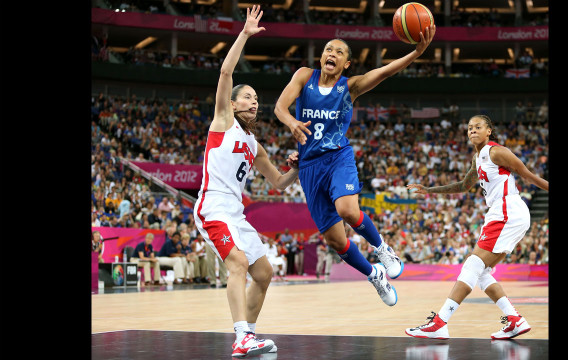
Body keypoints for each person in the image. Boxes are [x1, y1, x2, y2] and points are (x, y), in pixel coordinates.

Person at [273, 23, 436, 306]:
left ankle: (383, 249)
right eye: (328, 49)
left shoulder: (349, 86)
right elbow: (279, 107)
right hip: (309, 167)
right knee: (336, 242)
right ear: (321, 57)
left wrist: (416, 53)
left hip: (337, 157)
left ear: (346, 63)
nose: (331, 53)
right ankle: (375, 274)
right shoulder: (303, 76)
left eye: (338, 51)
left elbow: (384, 72)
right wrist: (292, 123)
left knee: (347, 209)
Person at [191, 6, 300, 357]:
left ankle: (248, 335)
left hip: (236, 213)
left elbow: (280, 183)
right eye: (248, 96)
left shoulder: (255, 144)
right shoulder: (222, 120)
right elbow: (225, 70)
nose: (255, 101)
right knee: (237, 263)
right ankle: (240, 336)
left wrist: (295, 168)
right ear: (234, 103)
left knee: (265, 272)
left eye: (256, 98)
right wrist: (245, 34)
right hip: (212, 206)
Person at [404, 114, 549, 340]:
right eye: (469, 127)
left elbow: (527, 174)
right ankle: (515, 320)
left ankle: (440, 322)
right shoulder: (478, 157)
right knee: (482, 273)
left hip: (507, 211)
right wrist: (430, 190)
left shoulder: (496, 152)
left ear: (489, 131)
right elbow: (463, 186)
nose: (472, 130)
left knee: (473, 264)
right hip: (502, 213)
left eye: (477, 127)